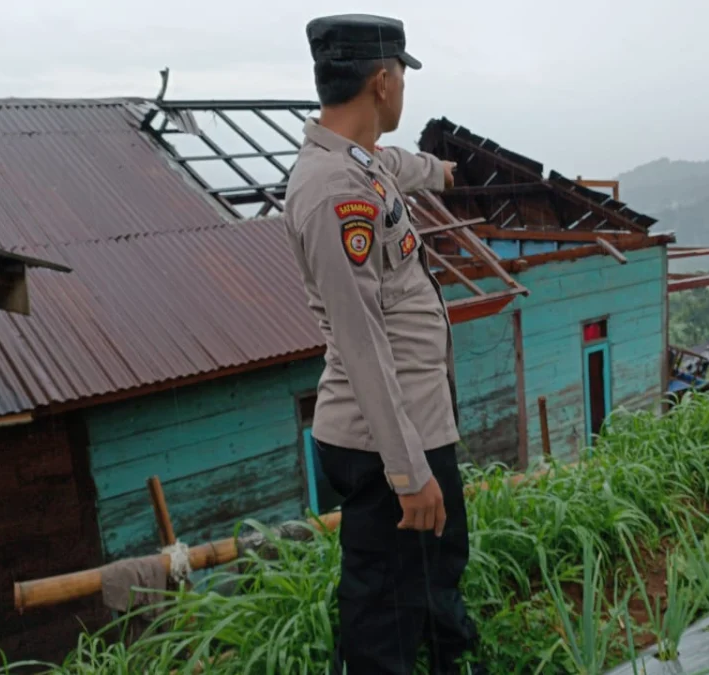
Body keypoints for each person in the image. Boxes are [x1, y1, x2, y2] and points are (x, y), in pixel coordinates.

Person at [283, 14, 480, 675]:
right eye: (402, 77)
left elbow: (396, 163)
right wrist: (408, 474)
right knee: (381, 612)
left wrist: (444, 172)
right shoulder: (333, 194)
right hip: (384, 443)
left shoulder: (356, 161)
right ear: (383, 81)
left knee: (436, 564)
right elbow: (364, 346)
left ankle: (455, 661)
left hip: (414, 421)